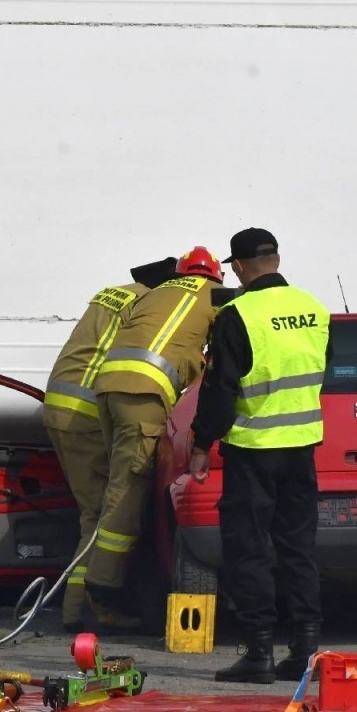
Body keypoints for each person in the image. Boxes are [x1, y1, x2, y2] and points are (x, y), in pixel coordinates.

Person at [188, 227, 332, 684]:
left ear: (239, 267)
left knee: (248, 548)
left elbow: (219, 388)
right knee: (298, 547)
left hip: (253, 450)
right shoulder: (314, 308)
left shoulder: (238, 314)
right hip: (301, 447)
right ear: (277, 259)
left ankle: (259, 653)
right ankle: (305, 651)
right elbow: (322, 368)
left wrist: (201, 444)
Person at [85, 248, 225, 615]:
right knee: (128, 489)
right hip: (144, 394)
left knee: (119, 481)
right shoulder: (217, 295)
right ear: (216, 275)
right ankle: (104, 588)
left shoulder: (158, 291)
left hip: (109, 388)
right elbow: (228, 351)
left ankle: (108, 580)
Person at [42, 257, 177, 631]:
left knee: (93, 513)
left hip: (63, 404)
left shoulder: (113, 294)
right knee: (105, 514)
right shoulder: (151, 304)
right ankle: (85, 610)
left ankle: (79, 609)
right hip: (88, 412)